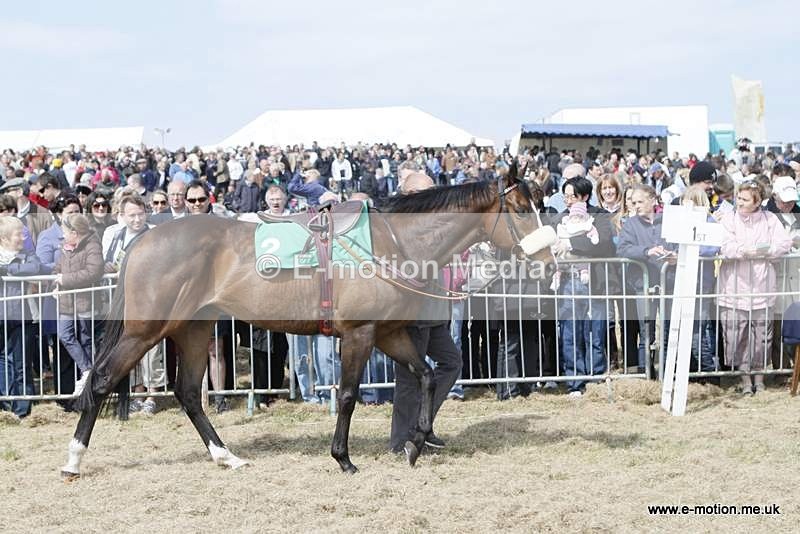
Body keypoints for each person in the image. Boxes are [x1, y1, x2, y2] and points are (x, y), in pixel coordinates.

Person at [390, 172, 462, 453]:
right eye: (424, 191)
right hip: (412, 312)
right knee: (409, 378)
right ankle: (400, 441)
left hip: (435, 310)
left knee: (451, 362)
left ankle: (422, 424)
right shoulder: (400, 224)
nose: (432, 196)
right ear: (408, 194)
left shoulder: (433, 221)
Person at [718, 180, 792, 395]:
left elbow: (784, 243)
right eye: (738, 198)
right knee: (736, 336)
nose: (739, 202)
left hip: (762, 286)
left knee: (762, 336)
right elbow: (725, 245)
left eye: (744, 199)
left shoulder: (770, 219)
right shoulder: (729, 219)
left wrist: (768, 251)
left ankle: (759, 379)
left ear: (757, 201)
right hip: (734, 287)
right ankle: (744, 379)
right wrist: (743, 251)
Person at [550, 177, 615, 395]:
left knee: (596, 333)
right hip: (568, 280)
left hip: (594, 281)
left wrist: (571, 244)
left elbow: (603, 242)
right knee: (570, 333)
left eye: (572, 196)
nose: (568, 200)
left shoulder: (600, 216)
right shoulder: (560, 218)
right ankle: (574, 382)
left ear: (585, 196)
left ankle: (596, 379)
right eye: (565, 196)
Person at [53, 213, 104, 396]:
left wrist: (65, 280)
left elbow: (94, 271)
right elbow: (58, 269)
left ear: (74, 233)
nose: (63, 235)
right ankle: (87, 369)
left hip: (86, 302)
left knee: (86, 339)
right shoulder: (65, 247)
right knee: (64, 334)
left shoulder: (92, 244)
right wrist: (56, 284)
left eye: (65, 231)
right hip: (67, 302)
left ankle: (91, 381)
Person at [0, 216, 43, 418]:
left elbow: (36, 268)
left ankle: (22, 409)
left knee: (21, 363)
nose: (23, 237)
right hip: (2, 316)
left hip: (24, 316)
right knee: (2, 360)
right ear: (5, 239)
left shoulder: (28, 255)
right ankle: (5, 402)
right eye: (18, 234)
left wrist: (10, 270)